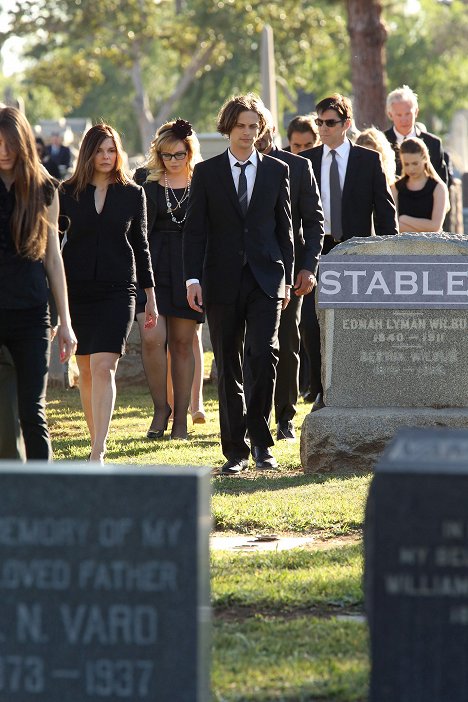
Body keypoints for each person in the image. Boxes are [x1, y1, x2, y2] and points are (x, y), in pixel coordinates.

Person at [183, 93, 293, 474]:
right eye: (241, 126)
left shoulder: (277, 171)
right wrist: (193, 278)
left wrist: (288, 279)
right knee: (227, 363)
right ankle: (235, 451)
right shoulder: (207, 173)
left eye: (253, 126)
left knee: (262, 355)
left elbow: (285, 231)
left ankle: (263, 444)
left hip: (266, 280)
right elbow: (194, 231)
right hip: (220, 281)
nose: (247, 133)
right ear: (228, 128)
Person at [59, 123, 156, 463]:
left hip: (119, 291)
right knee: (84, 369)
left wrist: (150, 297)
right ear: (88, 153)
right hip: (77, 292)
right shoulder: (67, 192)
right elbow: (53, 247)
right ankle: (94, 437)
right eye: (99, 150)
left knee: (104, 367)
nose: (106, 156)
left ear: (118, 153)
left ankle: (98, 449)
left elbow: (141, 247)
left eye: (111, 150)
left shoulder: (132, 193)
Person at [301, 93, 398, 410]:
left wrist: (389, 255)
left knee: (356, 320)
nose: (323, 128)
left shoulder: (367, 161)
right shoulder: (306, 162)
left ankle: (358, 386)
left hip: (356, 249)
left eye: (330, 123)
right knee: (313, 323)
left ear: (346, 124)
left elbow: (384, 213)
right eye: (319, 122)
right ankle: (320, 392)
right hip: (316, 249)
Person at [0, 106, 76, 460]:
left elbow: (53, 258)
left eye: (10, 143)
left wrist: (66, 322)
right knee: (4, 417)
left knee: (33, 411)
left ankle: (42, 497)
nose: (3, 151)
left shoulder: (44, 187)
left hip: (31, 314)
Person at [251, 108, 324, 442]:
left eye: (259, 127)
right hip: (246, 270)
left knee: (287, 342)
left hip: (289, 270)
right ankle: (254, 419)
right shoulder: (236, 169)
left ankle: (285, 418)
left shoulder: (298, 166)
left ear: (271, 128)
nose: (255, 134)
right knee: (253, 347)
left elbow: (313, 223)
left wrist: (309, 267)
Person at [133, 119, 203, 440]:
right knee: (151, 339)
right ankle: (162, 408)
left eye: (178, 155)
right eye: (166, 156)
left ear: (189, 152)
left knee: (182, 344)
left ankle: (181, 421)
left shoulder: (202, 182)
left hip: (190, 269)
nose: (172, 161)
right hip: (153, 268)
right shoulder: (146, 184)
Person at [384, 85, 448, 184]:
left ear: (416, 112)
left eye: (408, 114)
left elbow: (442, 181)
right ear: (390, 115)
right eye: (399, 115)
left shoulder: (433, 144)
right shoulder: (382, 142)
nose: (404, 119)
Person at [391, 137, 449, 233]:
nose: (411, 169)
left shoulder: (439, 188)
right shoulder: (395, 188)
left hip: (432, 246)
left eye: (415, 163)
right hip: (402, 246)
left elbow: (435, 226)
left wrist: (404, 219)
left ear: (425, 158)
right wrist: (425, 227)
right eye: (406, 164)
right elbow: (394, 226)